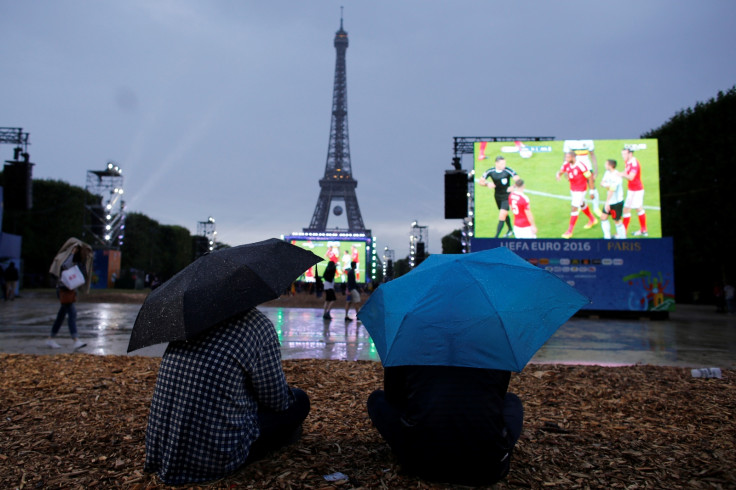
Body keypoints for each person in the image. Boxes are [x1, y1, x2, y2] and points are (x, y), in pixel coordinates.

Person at [145, 307, 310, 485]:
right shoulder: (258, 326)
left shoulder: (192, 321)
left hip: (165, 452)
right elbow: (278, 401)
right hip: (215, 458)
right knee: (300, 400)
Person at [367, 365, 523, 486]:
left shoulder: (409, 344)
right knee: (512, 402)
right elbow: (499, 396)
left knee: (377, 400)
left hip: (421, 462)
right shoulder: (494, 349)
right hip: (488, 467)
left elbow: (394, 398)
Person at [46, 245, 90, 350]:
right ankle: (75, 339)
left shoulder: (77, 262)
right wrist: (72, 254)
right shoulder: (66, 258)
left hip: (69, 290)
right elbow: (65, 265)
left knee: (61, 316)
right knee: (72, 314)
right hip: (63, 290)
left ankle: (51, 338)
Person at [556, 151, 598, 238]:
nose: (566, 159)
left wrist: (592, 191)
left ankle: (569, 231)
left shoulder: (581, 165)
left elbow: (589, 177)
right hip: (573, 189)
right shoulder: (566, 164)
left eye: (568, 157)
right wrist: (559, 175)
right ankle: (592, 219)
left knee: (574, 208)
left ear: (573, 157)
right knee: (582, 204)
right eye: (566, 157)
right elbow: (562, 170)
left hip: (581, 190)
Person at [478, 156, 520, 238]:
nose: (504, 165)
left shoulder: (508, 170)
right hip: (497, 196)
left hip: (507, 196)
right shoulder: (490, 171)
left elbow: (518, 180)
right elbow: (480, 181)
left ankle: (496, 238)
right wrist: (487, 184)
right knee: (504, 214)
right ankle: (510, 230)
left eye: (504, 163)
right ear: (496, 163)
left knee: (502, 215)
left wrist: (513, 187)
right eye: (502, 163)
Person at [563, 140, 601, 216]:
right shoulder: (568, 141)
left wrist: (596, 169)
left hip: (587, 167)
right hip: (575, 168)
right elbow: (566, 156)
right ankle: (581, 204)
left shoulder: (588, 140)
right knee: (578, 188)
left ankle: (596, 208)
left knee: (592, 185)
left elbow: (592, 154)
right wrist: (565, 170)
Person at [620, 147, 647, 236]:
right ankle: (643, 230)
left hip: (636, 190)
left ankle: (622, 233)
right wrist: (619, 174)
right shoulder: (627, 161)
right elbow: (626, 171)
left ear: (630, 154)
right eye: (622, 154)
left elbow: (631, 177)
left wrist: (620, 174)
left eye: (624, 154)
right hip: (632, 189)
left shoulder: (634, 164)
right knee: (637, 208)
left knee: (626, 210)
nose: (623, 156)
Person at [599, 159, 627, 239]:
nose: (605, 165)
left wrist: (607, 202)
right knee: (603, 217)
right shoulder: (607, 173)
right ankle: (607, 237)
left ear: (610, 165)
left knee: (617, 221)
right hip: (610, 201)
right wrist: (607, 185)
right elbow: (602, 183)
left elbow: (612, 189)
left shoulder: (617, 176)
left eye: (606, 164)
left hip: (616, 202)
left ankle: (623, 238)